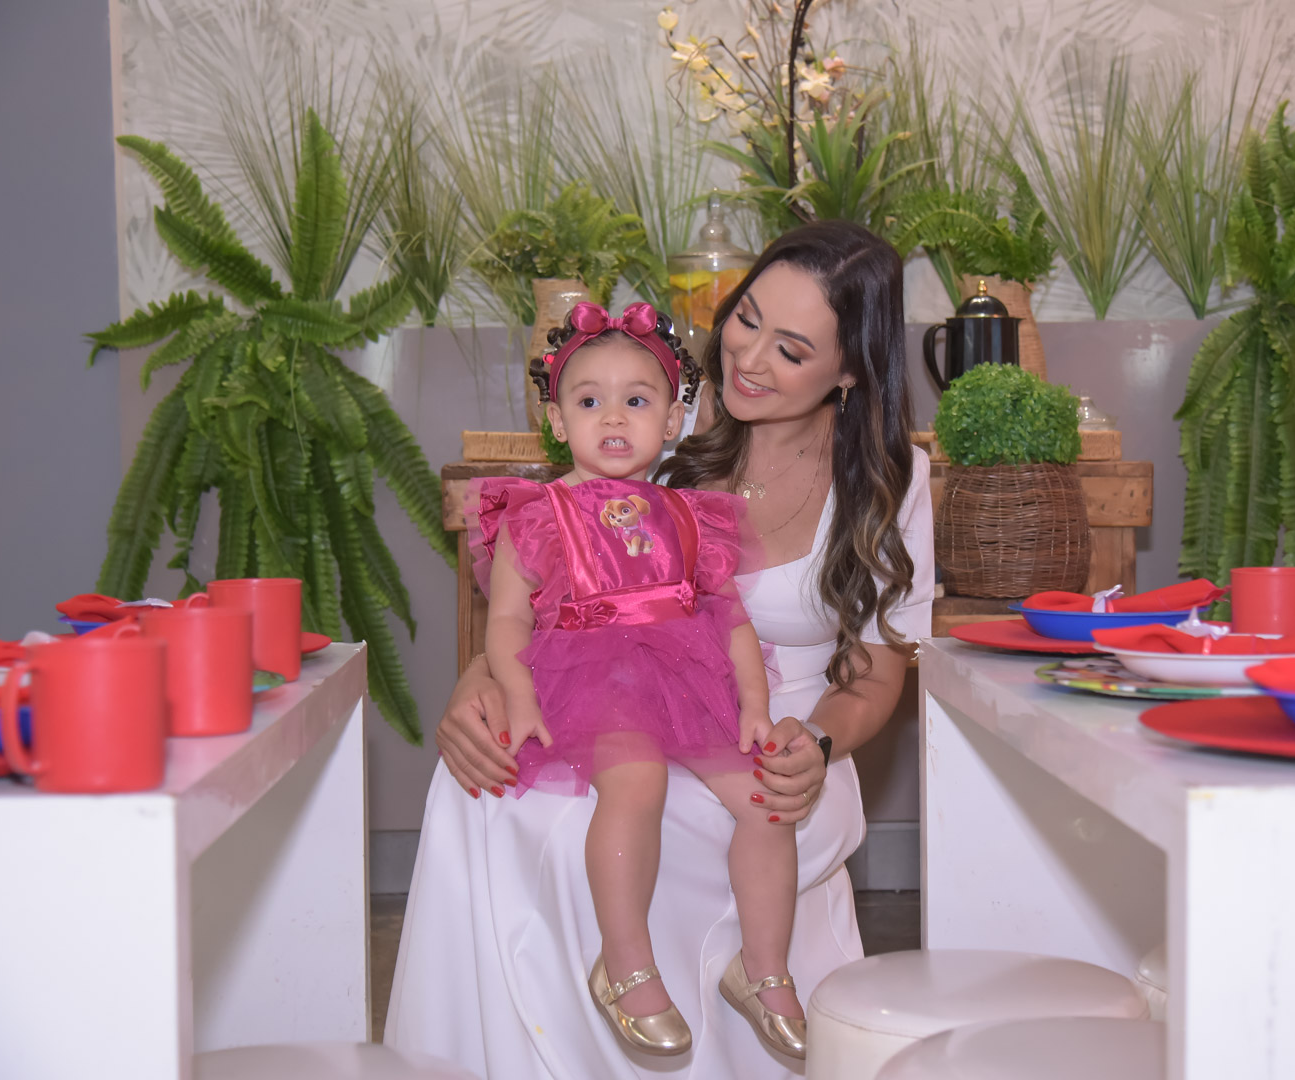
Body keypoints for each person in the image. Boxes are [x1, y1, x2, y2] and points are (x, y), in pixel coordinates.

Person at [386, 220, 936, 1079]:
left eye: (791, 349)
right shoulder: (651, 418)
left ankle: (750, 981)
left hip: (774, 726)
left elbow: (876, 671)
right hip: (615, 694)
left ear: (850, 370)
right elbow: (550, 594)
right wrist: (478, 683)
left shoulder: (890, 483)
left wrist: (818, 742)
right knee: (494, 792)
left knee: (710, 814)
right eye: (746, 318)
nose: (749, 359)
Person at [472, 299, 805, 1057]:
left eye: (638, 400)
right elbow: (508, 619)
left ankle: (763, 967)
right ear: (557, 421)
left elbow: (730, 617)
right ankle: (624, 963)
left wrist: (754, 702)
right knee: (637, 782)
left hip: (687, 682)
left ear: (673, 418)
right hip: (591, 680)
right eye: (590, 402)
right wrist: (517, 692)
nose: (614, 418)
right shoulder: (538, 514)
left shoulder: (690, 516)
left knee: (765, 800)